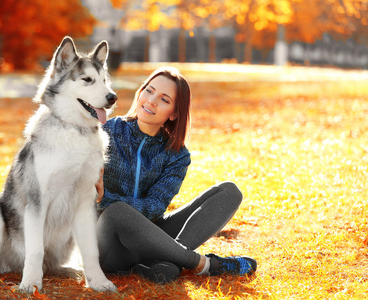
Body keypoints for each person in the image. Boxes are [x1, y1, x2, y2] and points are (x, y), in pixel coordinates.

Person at [95, 67, 257, 284]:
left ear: (174, 113)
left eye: (164, 99)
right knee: (117, 212)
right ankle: (205, 265)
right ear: (140, 92)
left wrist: (105, 197)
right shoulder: (105, 131)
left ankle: (166, 264)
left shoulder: (177, 155)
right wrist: (103, 199)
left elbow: (154, 207)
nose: (151, 101)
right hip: (107, 244)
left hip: (153, 238)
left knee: (229, 192)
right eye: (149, 91)